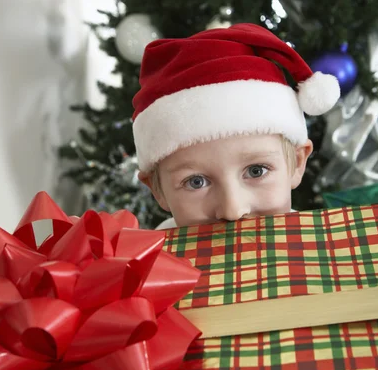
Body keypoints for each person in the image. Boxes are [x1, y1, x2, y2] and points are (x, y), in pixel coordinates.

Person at [131, 23, 340, 230]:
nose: (233, 211)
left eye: (256, 171)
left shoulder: (320, 255)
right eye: (196, 182)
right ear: (157, 190)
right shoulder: (155, 261)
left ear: (297, 162)